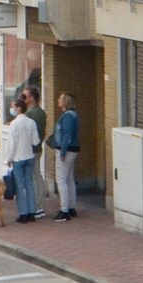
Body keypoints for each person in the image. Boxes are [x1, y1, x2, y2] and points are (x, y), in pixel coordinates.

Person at [5, 96, 42, 223]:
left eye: (13, 107)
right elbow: (36, 141)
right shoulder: (31, 122)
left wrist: (8, 158)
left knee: (20, 186)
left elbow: (11, 144)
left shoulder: (14, 124)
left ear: (19, 108)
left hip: (18, 158)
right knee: (29, 184)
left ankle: (23, 213)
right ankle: (32, 212)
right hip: (29, 156)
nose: (12, 109)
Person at [50, 92, 81, 220]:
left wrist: (62, 151)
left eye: (60, 99)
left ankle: (64, 210)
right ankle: (71, 207)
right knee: (69, 178)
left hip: (66, 150)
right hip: (73, 149)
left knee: (61, 179)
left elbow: (67, 134)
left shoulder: (67, 117)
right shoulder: (74, 115)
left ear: (66, 102)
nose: (58, 100)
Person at [21, 88, 52, 201]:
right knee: (37, 175)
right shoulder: (41, 112)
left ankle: (37, 203)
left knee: (33, 177)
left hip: (31, 149)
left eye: (25, 96)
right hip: (38, 148)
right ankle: (40, 202)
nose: (23, 99)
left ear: (32, 98)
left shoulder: (30, 114)